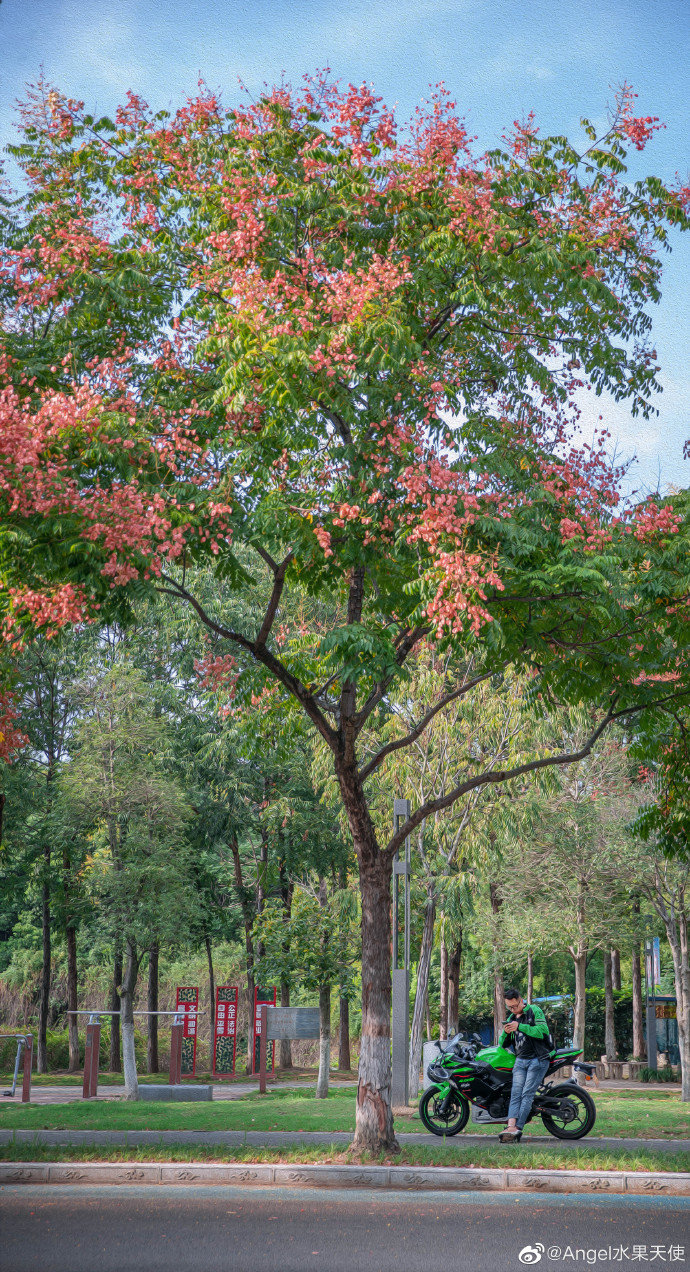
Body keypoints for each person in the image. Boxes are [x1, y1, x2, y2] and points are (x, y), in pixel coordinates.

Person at [497, 987, 552, 1143]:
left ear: (521, 1000)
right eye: (510, 1007)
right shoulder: (511, 1018)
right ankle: (510, 1127)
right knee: (515, 1093)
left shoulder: (534, 1010)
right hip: (520, 1061)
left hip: (538, 1059)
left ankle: (517, 1129)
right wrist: (506, 1033)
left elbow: (542, 1031)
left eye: (515, 1006)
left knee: (526, 1094)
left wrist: (520, 1026)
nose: (513, 1009)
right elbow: (502, 1043)